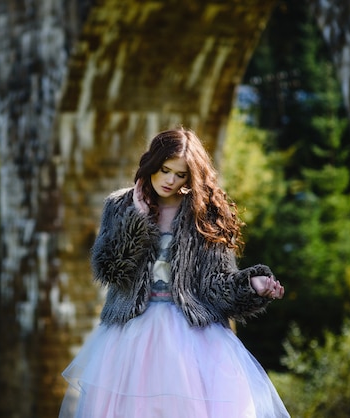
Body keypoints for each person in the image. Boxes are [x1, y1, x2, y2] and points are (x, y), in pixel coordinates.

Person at [59, 127, 290, 417]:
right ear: (151, 164)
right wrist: (138, 219)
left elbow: (217, 288)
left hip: (195, 340)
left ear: (191, 176)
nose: (170, 181)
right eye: (165, 170)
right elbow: (109, 269)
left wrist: (253, 286)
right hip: (128, 339)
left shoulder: (206, 214)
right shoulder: (119, 205)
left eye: (180, 174)